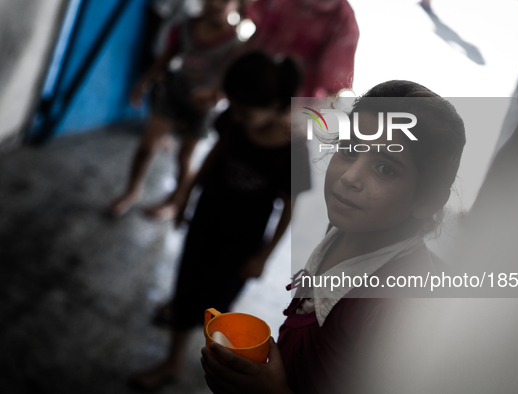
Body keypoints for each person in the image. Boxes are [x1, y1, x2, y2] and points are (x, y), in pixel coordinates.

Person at [200, 80, 466, 393]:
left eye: (385, 169)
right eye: (350, 149)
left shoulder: (397, 310)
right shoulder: (346, 226)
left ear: (428, 200)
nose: (349, 177)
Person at [129, 51, 311, 390]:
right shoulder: (233, 120)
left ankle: (222, 373)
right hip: (205, 222)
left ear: (274, 105)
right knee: (184, 293)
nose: (237, 118)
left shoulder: (293, 150)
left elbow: (290, 208)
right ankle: (171, 363)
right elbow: (215, 153)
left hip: (242, 244)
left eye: (245, 112)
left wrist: (263, 257)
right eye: (235, 109)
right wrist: (186, 193)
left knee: (217, 310)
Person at [109, 0, 242, 219]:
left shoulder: (235, 42)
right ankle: (132, 190)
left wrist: (214, 94)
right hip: (175, 92)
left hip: (204, 106)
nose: (217, 4)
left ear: (236, 5)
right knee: (146, 145)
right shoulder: (187, 26)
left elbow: (230, 80)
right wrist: (145, 82)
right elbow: (168, 55)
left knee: (184, 157)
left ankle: (176, 202)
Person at [245, 0, 359, 97]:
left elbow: (332, 91)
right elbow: (256, 34)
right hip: (246, 87)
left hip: (290, 110)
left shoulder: (343, 21)